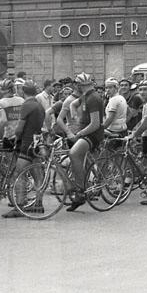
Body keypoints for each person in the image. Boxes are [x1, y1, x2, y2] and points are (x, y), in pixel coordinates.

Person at [2, 82, 46, 217]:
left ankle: (19, 206)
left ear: (23, 91)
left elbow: (20, 127)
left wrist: (15, 137)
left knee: (18, 174)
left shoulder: (26, 105)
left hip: (26, 143)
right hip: (37, 142)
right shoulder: (39, 105)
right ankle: (38, 203)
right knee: (37, 175)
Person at [65, 72, 104, 212]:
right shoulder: (86, 96)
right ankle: (83, 185)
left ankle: (80, 191)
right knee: (81, 160)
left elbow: (95, 124)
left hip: (93, 134)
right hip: (87, 132)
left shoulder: (93, 98)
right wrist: (75, 117)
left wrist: (79, 133)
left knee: (74, 154)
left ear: (79, 85)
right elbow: (73, 104)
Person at [0, 78, 25, 152]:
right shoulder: (21, 100)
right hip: (21, 136)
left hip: (9, 138)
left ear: (7, 90)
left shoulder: (0, 103)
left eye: (1, 89)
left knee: (7, 159)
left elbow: (3, 121)